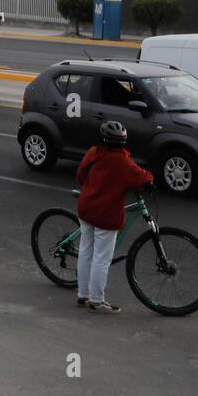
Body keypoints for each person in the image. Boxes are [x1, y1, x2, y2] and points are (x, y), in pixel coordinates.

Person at [75, 121, 155, 313]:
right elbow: (144, 177)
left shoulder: (93, 153)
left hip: (86, 208)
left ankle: (82, 295)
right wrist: (150, 181)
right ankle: (97, 300)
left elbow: (80, 176)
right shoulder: (124, 162)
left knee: (86, 251)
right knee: (101, 259)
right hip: (106, 215)